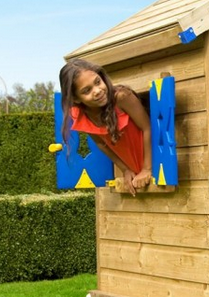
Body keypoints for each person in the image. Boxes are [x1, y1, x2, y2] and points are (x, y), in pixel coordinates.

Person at [59, 58, 152, 196]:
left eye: (98, 82)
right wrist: (125, 169)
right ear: (76, 98)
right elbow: (101, 144)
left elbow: (147, 128)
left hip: (156, 163)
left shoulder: (122, 97)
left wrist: (147, 169)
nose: (97, 91)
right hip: (137, 172)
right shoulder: (81, 115)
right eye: (87, 90)